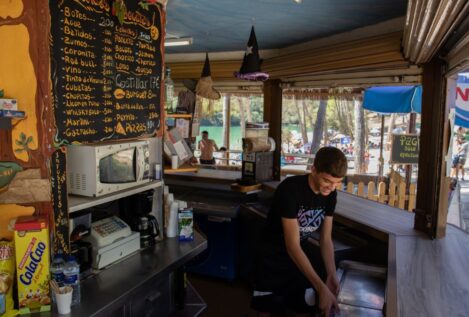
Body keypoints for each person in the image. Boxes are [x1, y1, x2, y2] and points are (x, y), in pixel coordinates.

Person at [251, 147, 347, 317]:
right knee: (267, 309)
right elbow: (292, 245)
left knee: (304, 306)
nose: (331, 188)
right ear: (314, 170)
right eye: (327, 181)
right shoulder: (290, 189)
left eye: (337, 183)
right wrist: (321, 287)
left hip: (299, 259)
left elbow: (325, 239)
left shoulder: (331, 195)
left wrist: (331, 273)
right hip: (271, 258)